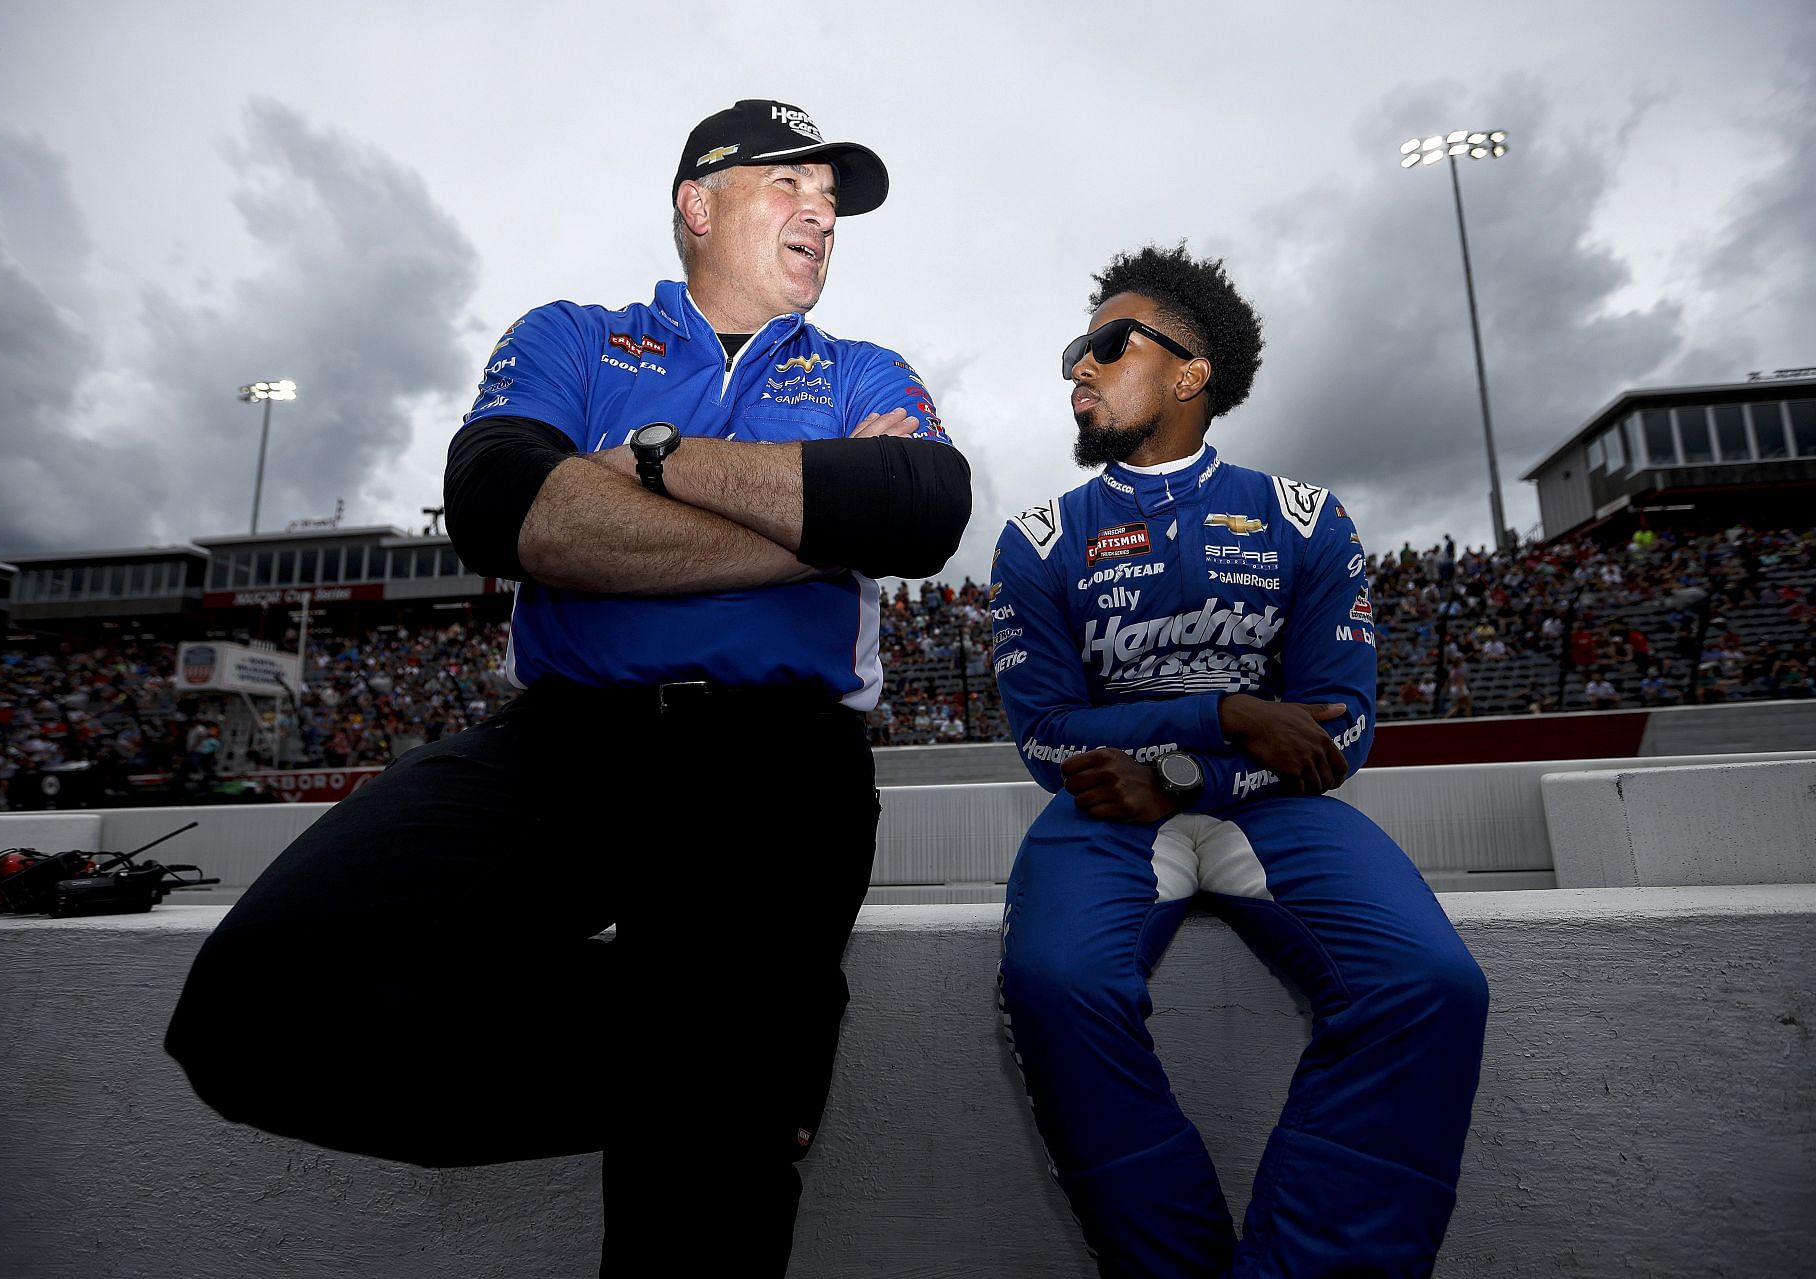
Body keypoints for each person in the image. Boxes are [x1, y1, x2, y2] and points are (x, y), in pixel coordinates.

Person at [164, 98, 970, 1275]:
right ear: (698, 204)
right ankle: (733, 1052)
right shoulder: (577, 337)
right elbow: (501, 506)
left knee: (695, 1205)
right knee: (252, 1014)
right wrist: (813, 521)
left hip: (781, 766)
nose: (823, 212)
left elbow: (920, 508)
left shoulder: (863, 369)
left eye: (834, 200)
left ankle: (730, 1070)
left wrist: (651, 461)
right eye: (791, 183)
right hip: (568, 742)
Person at [990, 244, 1487, 1276]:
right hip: (1103, 811)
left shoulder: (1307, 519)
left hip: (1264, 808)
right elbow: (1045, 734)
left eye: (1104, 346)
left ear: (1189, 371)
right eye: (1071, 355)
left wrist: (1184, 772)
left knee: (1432, 983)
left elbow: (1339, 728)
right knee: (1053, 983)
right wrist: (1229, 710)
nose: (1077, 369)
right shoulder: (1036, 539)